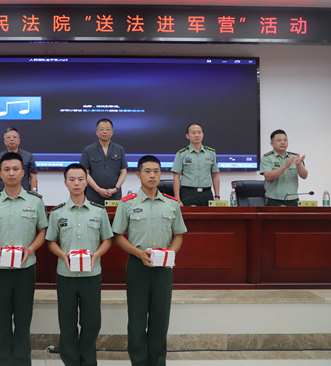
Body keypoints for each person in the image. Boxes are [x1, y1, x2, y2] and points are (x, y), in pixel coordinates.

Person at [112, 155, 187, 366]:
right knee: (136, 320)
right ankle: (138, 361)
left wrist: (170, 253)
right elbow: (117, 236)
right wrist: (138, 253)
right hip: (137, 266)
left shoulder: (172, 204)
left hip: (163, 268)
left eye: (156, 171)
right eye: (147, 171)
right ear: (138, 175)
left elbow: (178, 235)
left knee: (160, 319)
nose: (152, 175)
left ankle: (157, 361)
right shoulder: (127, 204)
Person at [0, 152, 48, 366]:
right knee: (1, 320)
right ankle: (1, 361)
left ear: (23, 172)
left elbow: (43, 231)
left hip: (25, 268)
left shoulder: (35, 202)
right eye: (6, 169)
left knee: (23, 319)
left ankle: (21, 361)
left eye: (15, 169)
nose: (11, 173)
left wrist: (30, 249)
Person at [46, 163, 113, 366]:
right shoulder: (58, 213)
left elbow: (108, 240)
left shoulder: (99, 211)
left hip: (91, 275)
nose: (76, 183)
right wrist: (63, 254)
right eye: (72, 179)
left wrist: (96, 255)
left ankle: (88, 361)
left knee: (91, 323)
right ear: (65, 182)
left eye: (80, 179)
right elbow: (50, 242)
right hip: (65, 275)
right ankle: (71, 362)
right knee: (67, 323)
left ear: (87, 181)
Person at [80, 119, 128, 205]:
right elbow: (85, 173)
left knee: (113, 218)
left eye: (108, 129)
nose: (105, 132)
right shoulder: (88, 150)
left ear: (112, 132)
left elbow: (123, 171)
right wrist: (98, 189)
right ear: (97, 132)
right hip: (94, 195)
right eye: (101, 129)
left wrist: (116, 189)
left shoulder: (119, 149)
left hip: (114, 195)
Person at [171, 123, 220, 206]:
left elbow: (215, 175)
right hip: (188, 193)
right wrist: (178, 199)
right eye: (193, 133)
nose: (197, 135)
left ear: (203, 134)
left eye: (199, 132)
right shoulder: (182, 154)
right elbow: (176, 177)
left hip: (207, 193)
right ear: (187, 136)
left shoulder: (211, 153)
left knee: (208, 219)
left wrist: (217, 196)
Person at [260, 129, 307, 206]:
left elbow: (304, 176)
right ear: (272, 143)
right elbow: (268, 177)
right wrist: (285, 166)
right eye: (279, 140)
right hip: (274, 200)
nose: (283, 142)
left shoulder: (294, 157)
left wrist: (299, 165)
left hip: (293, 200)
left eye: (285, 140)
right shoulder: (267, 158)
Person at [0, 127, 38, 195]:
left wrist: (33, 196)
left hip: (25, 195)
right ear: (4, 141)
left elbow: (33, 177)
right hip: (3, 195)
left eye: (14, 137)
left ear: (19, 140)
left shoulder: (28, 156)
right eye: (8, 137)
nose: (11, 139)